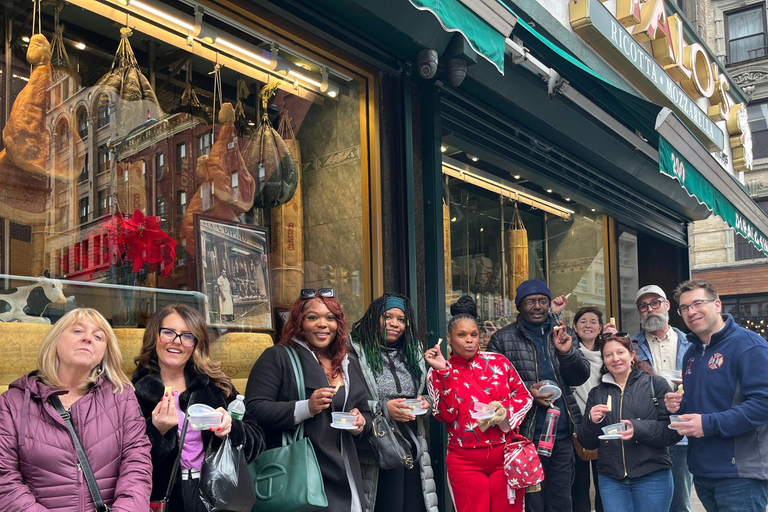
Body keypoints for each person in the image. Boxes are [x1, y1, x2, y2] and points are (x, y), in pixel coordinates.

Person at [0, 308, 152, 511]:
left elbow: (137, 464)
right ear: (55, 340)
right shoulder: (13, 402)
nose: (88, 339)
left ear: (104, 352)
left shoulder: (122, 396)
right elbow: (5, 478)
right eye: (78, 331)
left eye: (98, 336)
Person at [246, 288, 372, 512]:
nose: (322, 324)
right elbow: (254, 410)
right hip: (301, 472)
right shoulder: (278, 356)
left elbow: (366, 413)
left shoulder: (348, 363)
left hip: (345, 471)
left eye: (330, 318)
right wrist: (306, 407)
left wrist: (361, 423)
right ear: (299, 322)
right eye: (312, 317)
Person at [132, 303, 264, 512]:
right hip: (161, 499)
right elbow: (124, 461)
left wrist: (231, 430)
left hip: (214, 496)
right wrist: (157, 431)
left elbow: (257, 441)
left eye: (187, 335)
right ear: (154, 336)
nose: (177, 342)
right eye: (168, 333)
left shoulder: (217, 386)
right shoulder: (134, 393)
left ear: (196, 343)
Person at [487, 279, 590, 512]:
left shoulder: (564, 333)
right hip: (526, 436)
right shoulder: (502, 339)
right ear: (520, 306)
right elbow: (493, 385)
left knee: (561, 500)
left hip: (561, 434)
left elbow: (580, 377)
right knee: (532, 502)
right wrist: (528, 391)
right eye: (530, 302)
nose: (537, 306)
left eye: (542, 301)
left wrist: (567, 354)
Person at [665, 279, 768, 512]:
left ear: (717, 305)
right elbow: (702, 407)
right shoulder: (691, 352)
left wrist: (708, 424)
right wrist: (679, 407)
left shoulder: (749, 345)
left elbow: (763, 403)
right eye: (684, 308)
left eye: (698, 303)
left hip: (740, 473)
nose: (691, 312)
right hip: (703, 471)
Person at [425, 297, 534, 512]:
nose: (469, 340)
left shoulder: (498, 362)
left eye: (473, 335)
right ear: (448, 337)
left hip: (504, 455)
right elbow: (445, 415)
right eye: (461, 335)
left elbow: (524, 396)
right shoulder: (438, 371)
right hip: (465, 460)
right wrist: (444, 373)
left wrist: (504, 415)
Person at [349, 293, 438, 512]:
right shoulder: (355, 352)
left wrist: (425, 403)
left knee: (413, 505)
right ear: (374, 317)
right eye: (388, 317)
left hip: (411, 442)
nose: (394, 324)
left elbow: (429, 393)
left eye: (401, 319)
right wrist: (384, 410)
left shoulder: (413, 351)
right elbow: (350, 401)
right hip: (376, 446)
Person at [578, 332, 681, 512]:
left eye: (620, 352)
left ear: (632, 354)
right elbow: (587, 441)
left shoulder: (655, 384)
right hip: (611, 478)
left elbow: (672, 433)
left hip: (651, 474)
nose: (615, 359)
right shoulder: (597, 392)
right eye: (608, 355)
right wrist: (592, 421)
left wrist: (638, 428)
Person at [629, 284, 693, 512]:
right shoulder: (631, 347)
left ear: (666, 305)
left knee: (680, 502)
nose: (650, 309)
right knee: (650, 503)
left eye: (655, 303)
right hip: (649, 429)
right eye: (643, 306)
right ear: (639, 312)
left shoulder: (691, 343)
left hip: (682, 428)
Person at [570, 307, 604, 512]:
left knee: (605, 483)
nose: (588, 325)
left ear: (600, 328)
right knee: (579, 485)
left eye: (593, 322)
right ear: (574, 327)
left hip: (604, 425)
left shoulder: (609, 353)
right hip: (577, 426)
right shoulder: (568, 353)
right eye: (583, 321)